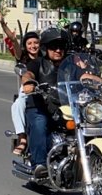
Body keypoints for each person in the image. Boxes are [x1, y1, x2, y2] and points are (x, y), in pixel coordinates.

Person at [19, 29, 72, 177]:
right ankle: (39, 164)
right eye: (53, 46)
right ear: (45, 48)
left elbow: (83, 74)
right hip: (40, 106)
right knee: (40, 123)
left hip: (65, 107)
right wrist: (28, 81)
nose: (58, 50)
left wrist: (98, 81)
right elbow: (28, 73)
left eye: (61, 46)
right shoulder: (37, 63)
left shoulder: (70, 65)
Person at [9, 29, 43, 156]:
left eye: (36, 43)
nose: (33, 46)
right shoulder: (23, 57)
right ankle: (22, 138)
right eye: (29, 43)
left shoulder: (46, 56)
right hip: (29, 89)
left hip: (48, 88)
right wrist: (12, 37)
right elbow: (15, 45)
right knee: (17, 105)